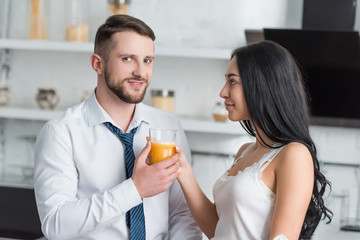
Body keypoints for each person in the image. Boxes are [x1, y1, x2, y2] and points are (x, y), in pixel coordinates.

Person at [34, 14, 201, 240]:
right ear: (97, 64)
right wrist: (135, 189)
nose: (141, 72)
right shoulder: (61, 133)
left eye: (147, 60)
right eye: (127, 59)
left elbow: (183, 213)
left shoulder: (168, 126)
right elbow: (55, 224)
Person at [175, 40, 333, 240]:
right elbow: (218, 229)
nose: (223, 92)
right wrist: (183, 171)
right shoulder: (245, 151)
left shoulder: (294, 154)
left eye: (232, 81)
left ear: (261, 85)